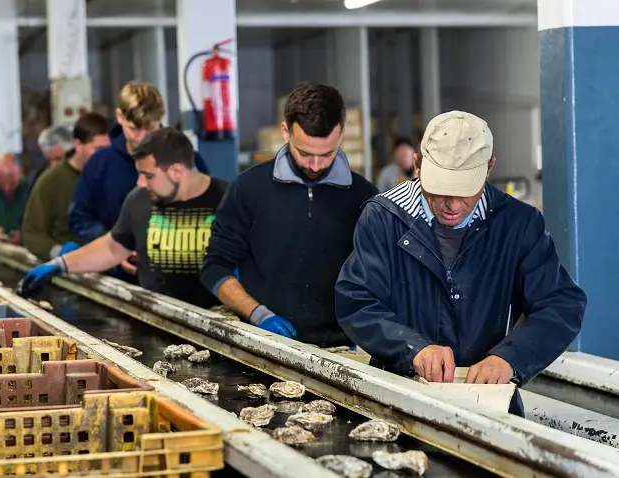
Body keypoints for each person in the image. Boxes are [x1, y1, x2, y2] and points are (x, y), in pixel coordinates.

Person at [335, 111, 586, 415]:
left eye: (466, 190)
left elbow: (560, 304)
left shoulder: (518, 224)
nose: (453, 205)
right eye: (440, 190)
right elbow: (357, 300)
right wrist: (412, 348)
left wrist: (509, 358)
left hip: (488, 401)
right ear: (417, 164)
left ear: (489, 168)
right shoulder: (384, 218)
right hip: (399, 399)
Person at [199, 82, 378, 346]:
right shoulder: (248, 189)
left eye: (326, 154)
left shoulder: (365, 199)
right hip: (264, 343)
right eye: (304, 153)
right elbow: (215, 268)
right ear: (286, 132)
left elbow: (379, 279)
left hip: (341, 350)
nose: (315, 166)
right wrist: (258, 315)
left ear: (341, 134)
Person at [20, 127, 227, 308]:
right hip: (160, 318)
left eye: (148, 176)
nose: (140, 183)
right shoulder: (140, 200)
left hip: (218, 321)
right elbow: (113, 247)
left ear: (176, 171)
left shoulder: (227, 201)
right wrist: (60, 264)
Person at [69, 81, 209, 279]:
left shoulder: (189, 162)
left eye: (149, 129)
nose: (142, 138)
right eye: (134, 129)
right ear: (120, 117)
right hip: (116, 279)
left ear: (160, 119)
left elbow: (207, 216)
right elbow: (80, 217)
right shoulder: (99, 164)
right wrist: (115, 246)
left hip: (178, 279)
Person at [22, 112, 111, 261]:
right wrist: (59, 252)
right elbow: (32, 234)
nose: (104, 155)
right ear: (78, 145)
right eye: (97, 149)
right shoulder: (51, 182)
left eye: (108, 149)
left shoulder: (113, 177)